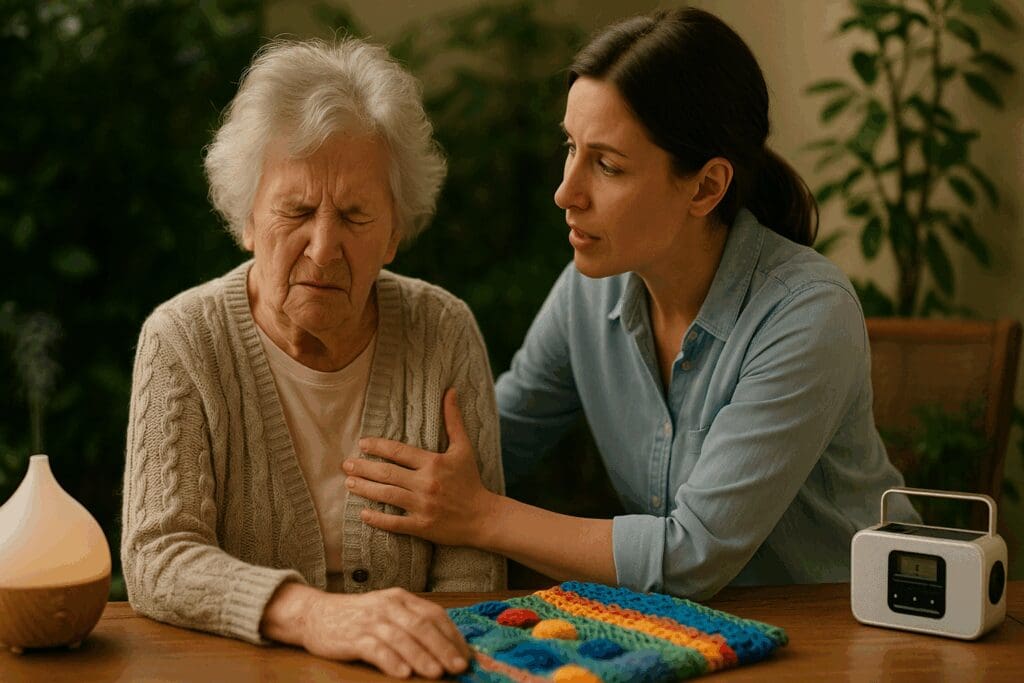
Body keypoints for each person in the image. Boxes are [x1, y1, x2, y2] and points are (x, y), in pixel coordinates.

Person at [346, 8, 919, 600]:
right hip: (685, 634)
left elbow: (691, 557)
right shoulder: (587, 291)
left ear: (706, 187)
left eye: (608, 165)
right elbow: (489, 443)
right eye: (571, 146)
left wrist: (483, 516)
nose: (566, 191)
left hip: (848, 630)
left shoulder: (806, 313)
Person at [120, 38, 505, 679]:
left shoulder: (443, 332)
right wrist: (315, 616)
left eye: (355, 216)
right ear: (245, 219)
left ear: (395, 233)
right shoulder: (183, 340)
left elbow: (473, 565)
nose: (324, 249)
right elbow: (159, 556)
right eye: (296, 211)